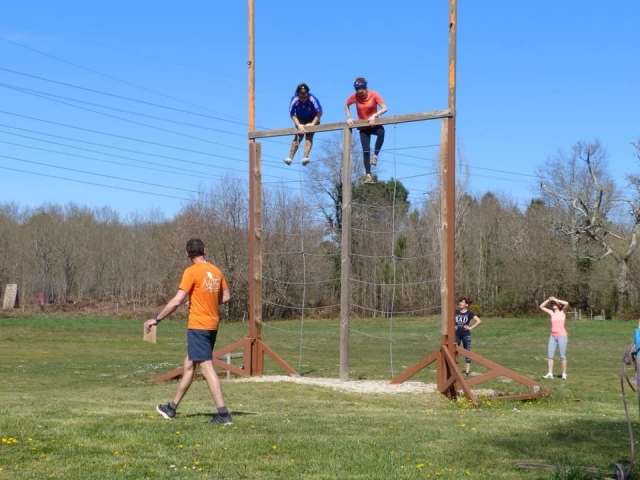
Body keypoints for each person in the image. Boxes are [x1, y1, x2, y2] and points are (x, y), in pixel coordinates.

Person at [144, 238, 233, 424]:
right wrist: (207, 300)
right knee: (189, 365)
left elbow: (176, 301)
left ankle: (223, 414)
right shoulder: (216, 271)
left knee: (206, 367)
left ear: (187, 254)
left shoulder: (191, 272)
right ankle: (171, 408)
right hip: (212, 324)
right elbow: (226, 296)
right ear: (204, 250)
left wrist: (156, 318)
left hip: (198, 325)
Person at [344, 77, 388, 185]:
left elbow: (384, 108)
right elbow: (346, 104)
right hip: (363, 127)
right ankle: (368, 175)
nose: (360, 94)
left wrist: (374, 115)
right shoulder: (354, 97)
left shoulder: (374, 94)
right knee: (366, 150)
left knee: (381, 132)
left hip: (373, 123)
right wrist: (349, 117)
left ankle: (375, 156)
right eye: (357, 91)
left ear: (365, 88)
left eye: (362, 92)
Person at [284, 83, 323, 166]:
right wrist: (298, 125)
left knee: (309, 136)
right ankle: (290, 157)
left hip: (313, 119)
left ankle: (305, 157)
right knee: (298, 137)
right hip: (300, 120)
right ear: (298, 95)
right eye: (301, 96)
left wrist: (312, 123)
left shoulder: (312, 99)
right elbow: (291, 114)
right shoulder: (294, 100)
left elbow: (320, 112)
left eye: (305, 96)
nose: (303, 99)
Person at [539, 295, 569, 380]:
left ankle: (564, 374)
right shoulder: (552, 313)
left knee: (562, 356)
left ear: (559, 305)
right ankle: (550, 373)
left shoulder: (563, 312)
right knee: (550, 355)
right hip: (553, 336)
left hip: (562, 336)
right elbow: (541, 306)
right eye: (552, 304)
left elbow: (566, 303)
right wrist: (549, 300)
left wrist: (556, 299)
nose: (553, 305)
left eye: (555, 304)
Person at [454, 296, 482, 377]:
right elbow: (450, 320)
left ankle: (467, 371)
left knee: (467, 352)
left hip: (466, 335)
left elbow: (479, 321)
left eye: (463, 302)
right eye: (460, 302)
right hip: (456, 334)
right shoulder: (455, 312)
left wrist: (471, 327)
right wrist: (453, 326)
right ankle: (455, 370)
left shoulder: (469, 313)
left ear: (466, 304)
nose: (461, 303)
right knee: (455, 352)